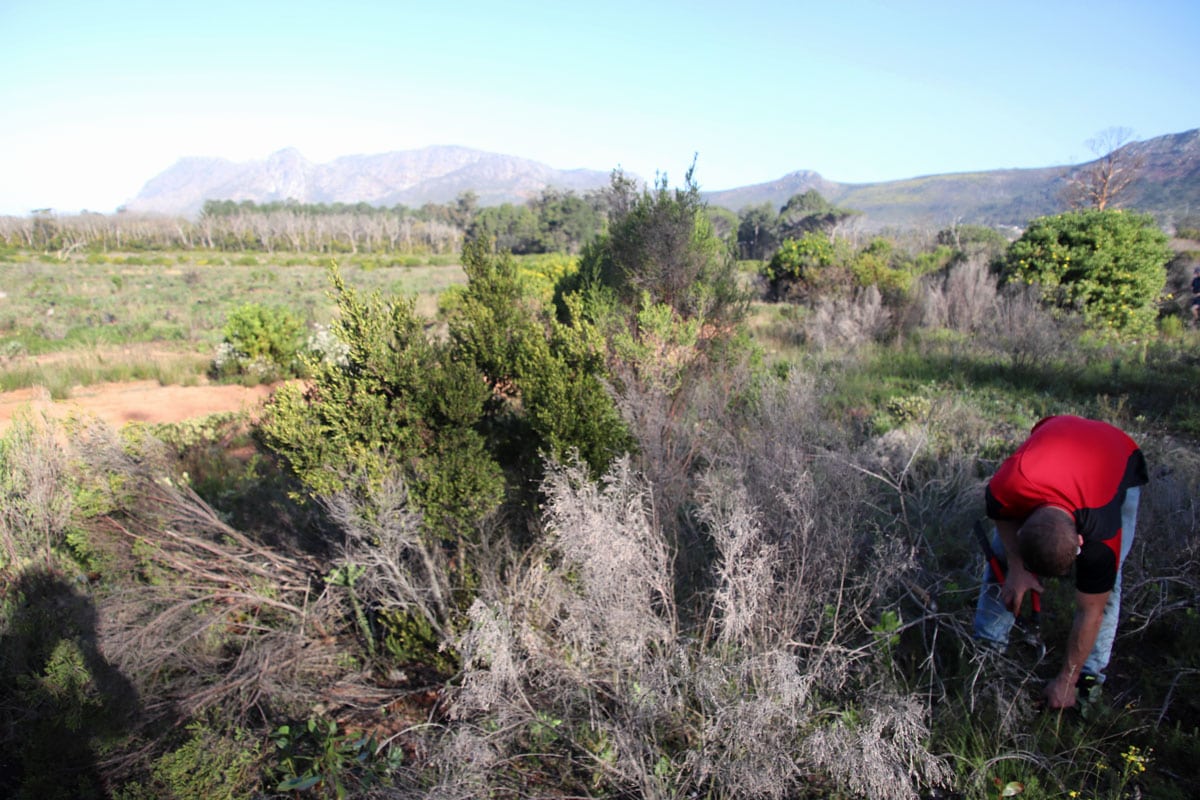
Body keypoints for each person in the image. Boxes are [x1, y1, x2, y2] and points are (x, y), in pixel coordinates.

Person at [973, 415, 1148, 710]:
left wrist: (1066, 679)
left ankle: (1087, 679)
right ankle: (986, 651)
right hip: (1057, 433)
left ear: (1082, 542)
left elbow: (1090, 612)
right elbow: (1001, 515)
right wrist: (1016, 567)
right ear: (1024, 523)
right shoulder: (1010, 484)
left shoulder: (1101, 535)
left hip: (1120, 455)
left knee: (1106, 591)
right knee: (1000, 560)